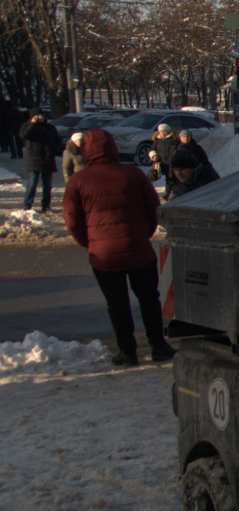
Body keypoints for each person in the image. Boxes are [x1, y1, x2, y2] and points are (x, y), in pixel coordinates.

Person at [62, 129, 173, 367]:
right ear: (113, 147)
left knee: (117, 303)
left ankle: (127, 351)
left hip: (103, 254)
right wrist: (143, 234)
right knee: (149, 298)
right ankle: (158, 345)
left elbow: (72, 220)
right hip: (138, 248)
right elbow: (153, 208)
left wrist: (90, 242)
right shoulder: (133, 174)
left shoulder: (78, 181)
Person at [20, 111, 63, 212]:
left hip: (48, 159)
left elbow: (57, 140)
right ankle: (27, 205)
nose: (40, 117)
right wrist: (32, 124)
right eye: (37, 116)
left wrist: (52, 150)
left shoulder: (49, 127)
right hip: (34, 159)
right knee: (32, 183)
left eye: (41, 115)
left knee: (47, 185)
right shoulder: (27, 126)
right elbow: (24, 136)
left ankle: (46, 205)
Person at [0, 89, 21, 159]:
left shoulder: (4, 111)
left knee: (11, 141)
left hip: (7, 127)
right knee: (18, 141)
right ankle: (20, 153)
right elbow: (19, 119)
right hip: (16, 127)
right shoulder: (16, 111)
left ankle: (14, 154)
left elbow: (2, 119)